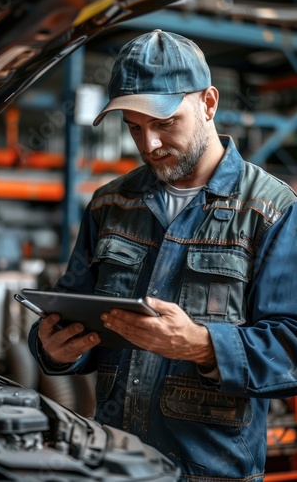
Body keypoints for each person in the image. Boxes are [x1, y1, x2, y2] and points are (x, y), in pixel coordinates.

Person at [28, 29, 297, 481]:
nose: (148, 144)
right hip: (113, 463)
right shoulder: (111, 205)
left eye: (164, 122)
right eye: (134, 126)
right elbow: (71, 310)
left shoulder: (272, 211)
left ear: (208, 103)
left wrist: (201, 345)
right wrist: (54, 350)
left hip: (208, 473)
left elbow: (291, 347)